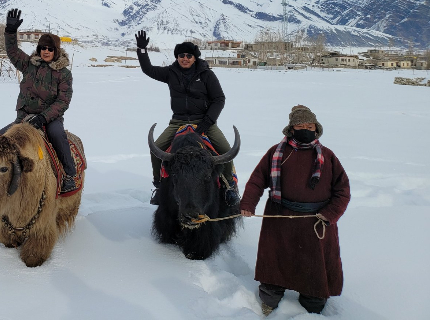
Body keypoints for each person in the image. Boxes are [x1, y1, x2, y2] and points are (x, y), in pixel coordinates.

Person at [240, 105, 350, 316]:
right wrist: (247, 204)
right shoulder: (276, 153)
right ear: (291, 129)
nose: (305, 129)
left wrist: (329, 214)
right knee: (275, 263)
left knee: (313, 269)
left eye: (310, 126)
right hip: (279, 218)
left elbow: (343, 191)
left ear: (316, 129)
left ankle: (312, 304)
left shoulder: (328, 156)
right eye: (300, 125)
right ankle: (269, 299)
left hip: (316, 223)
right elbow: (257, 180)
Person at [135, 31, 237, 205]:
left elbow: (219, 99)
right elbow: (148, 70)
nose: (185, 58)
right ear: (177, 57)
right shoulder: (170, 73)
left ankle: (230, 187)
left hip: (204, 121)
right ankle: (159, 185)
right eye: (181, 55)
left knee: (226, 150)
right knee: (156, 148)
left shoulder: (207, 75)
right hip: (178, 122)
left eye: (189, 55)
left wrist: (207, 122)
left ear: (195, 57)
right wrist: (142, 50)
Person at [0, 8, 77, 192]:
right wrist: (10, 32)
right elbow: (12, 51)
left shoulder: (63, 74)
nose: (46, 51)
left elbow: (63, 101)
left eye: (50, 48)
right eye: (43, 48)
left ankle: (69, 175)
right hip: (24, 118)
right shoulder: (29, 64)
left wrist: (43, 117)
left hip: (49, 120)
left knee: (58, 136)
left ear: (56, 50)